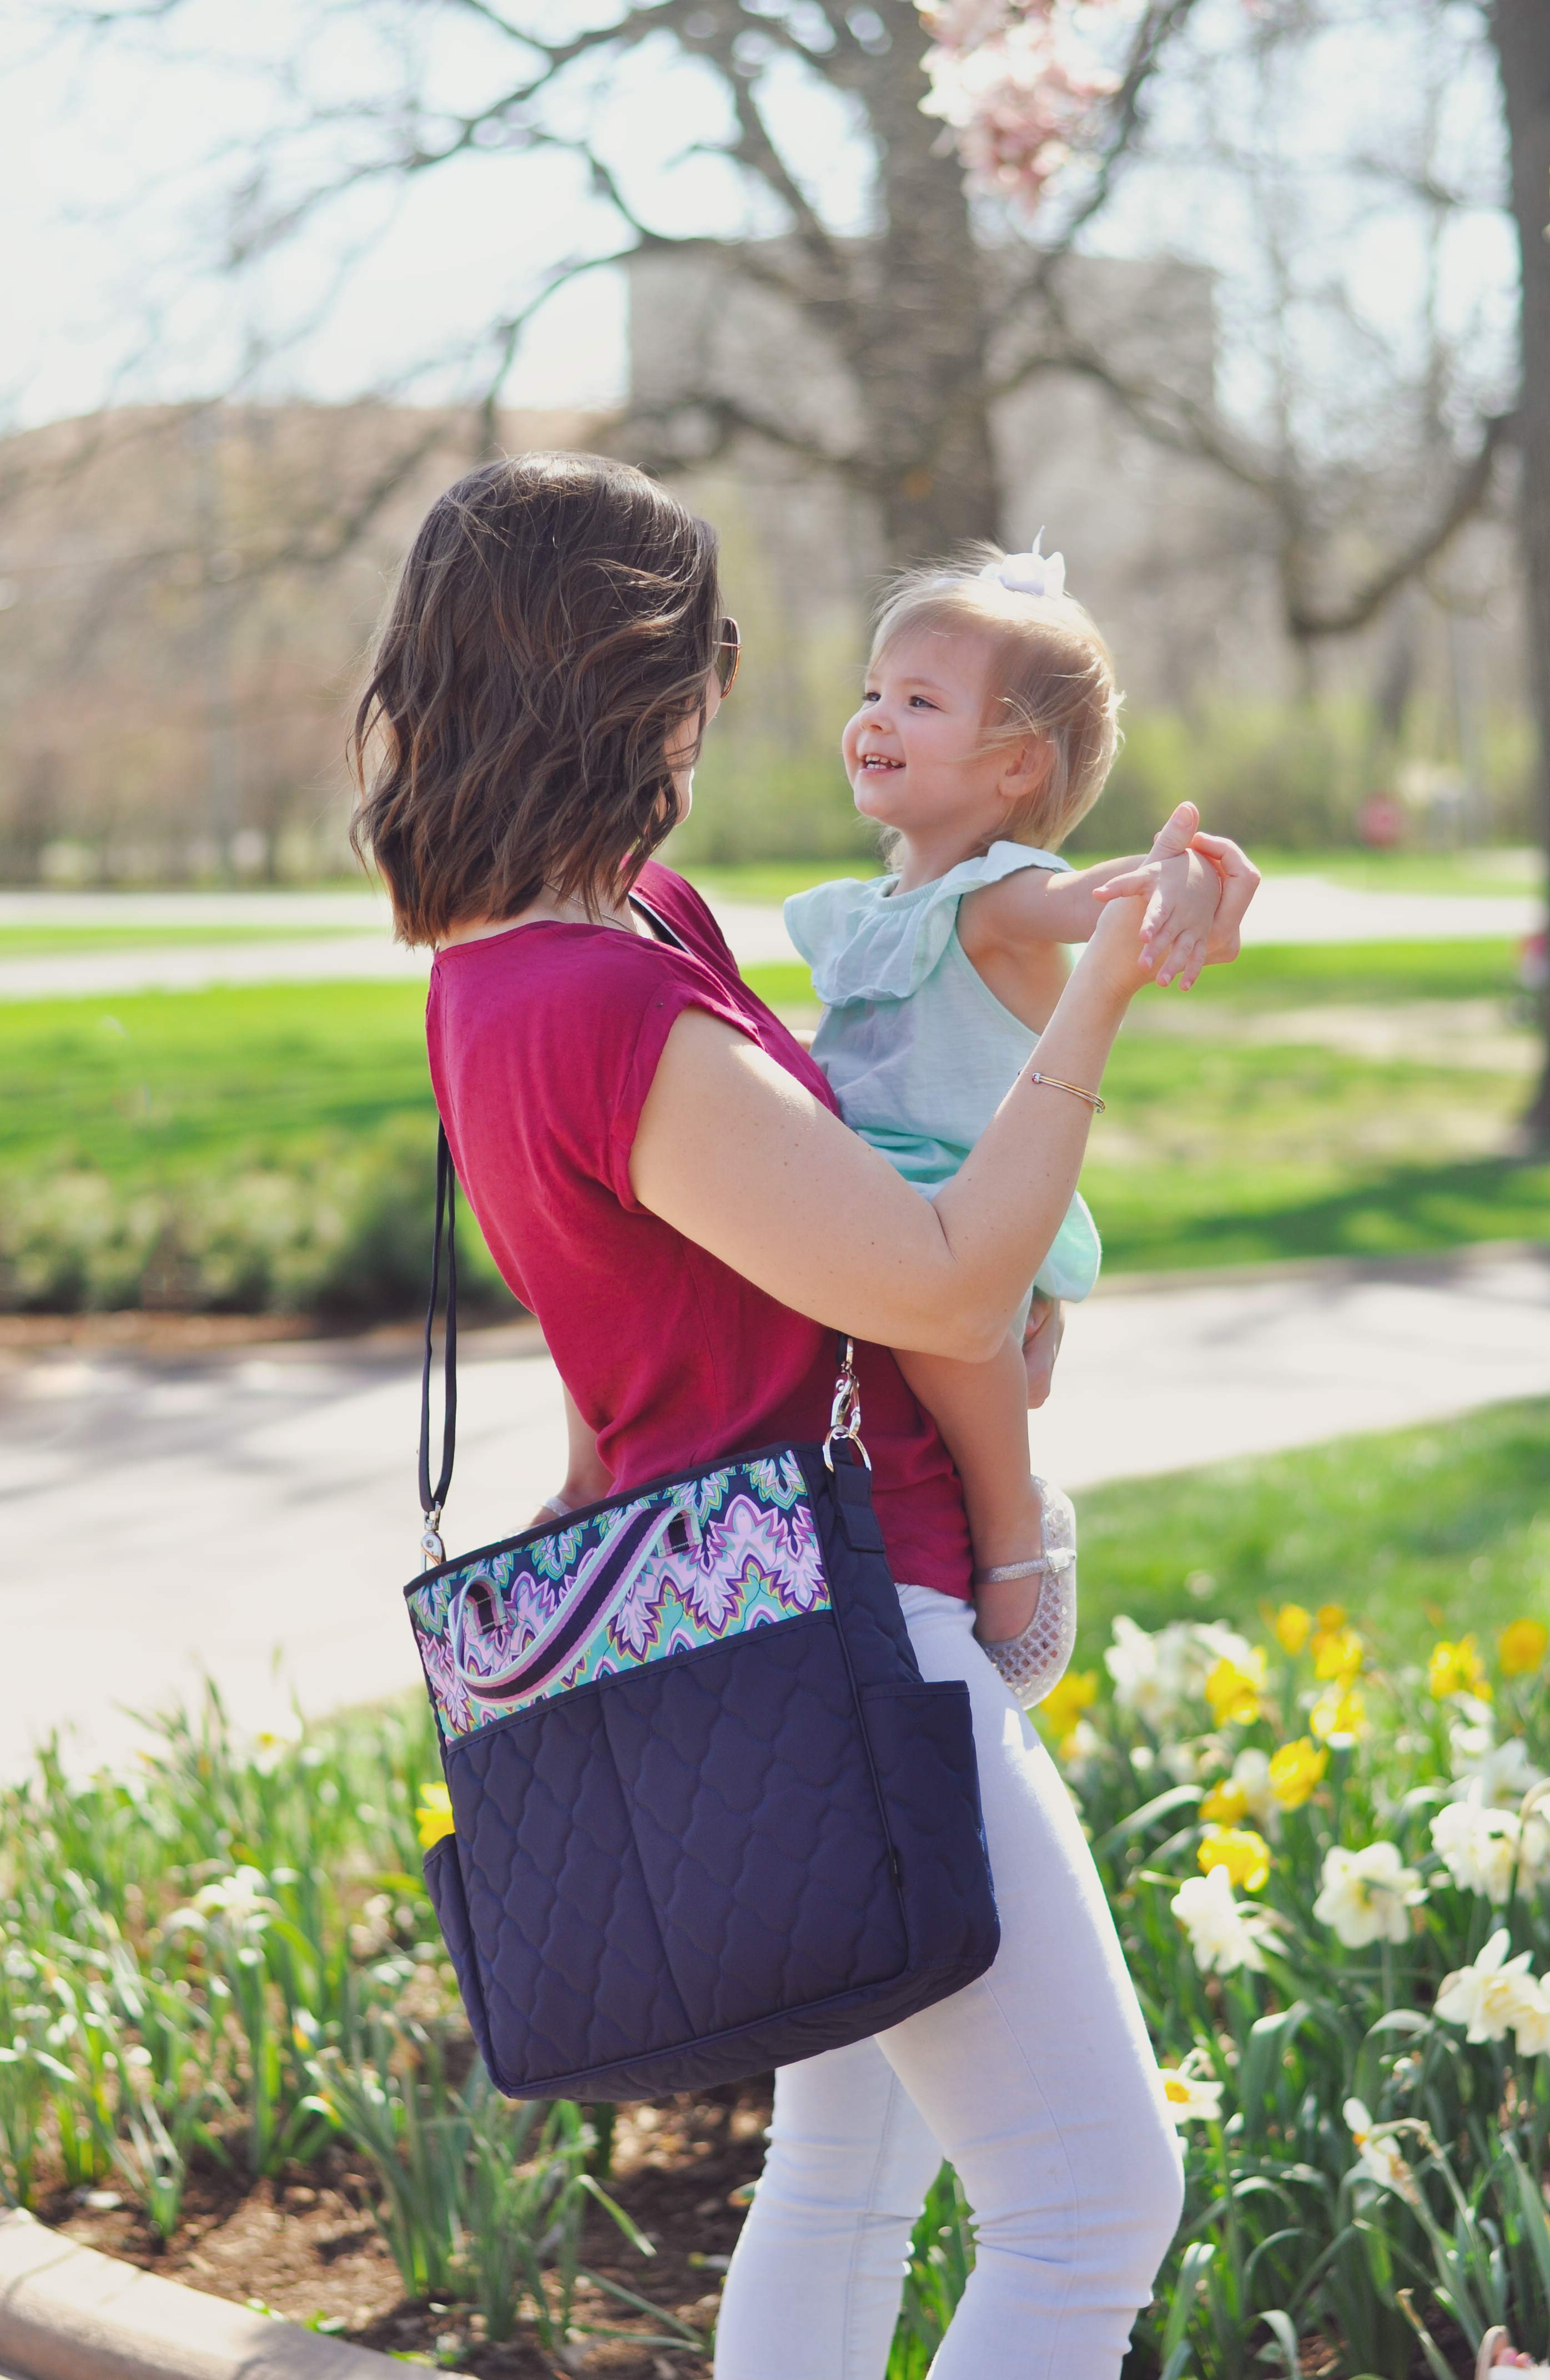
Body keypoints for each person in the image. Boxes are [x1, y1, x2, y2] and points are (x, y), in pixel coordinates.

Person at [351, 450, 1259, 2379]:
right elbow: (931, 1272)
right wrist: (1090, 1003)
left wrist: (1081, 913)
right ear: (634, 681)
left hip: (750, 1629)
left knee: (843, 2183)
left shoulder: (540, 957)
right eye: (709, 652)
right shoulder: (608, 1001)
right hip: (848, 1631)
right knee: (1094, 2195)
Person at [785, 537, 1230, 1707]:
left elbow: (1099, 897)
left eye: (919, 700)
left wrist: (1170, 879)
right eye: (872, 691)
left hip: (965, 1199)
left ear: (1014, 766)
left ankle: (1010, 1525)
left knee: (948, 1323)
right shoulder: (868, 907)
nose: (873, 715)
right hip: (870, 1186)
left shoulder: (998, 899)